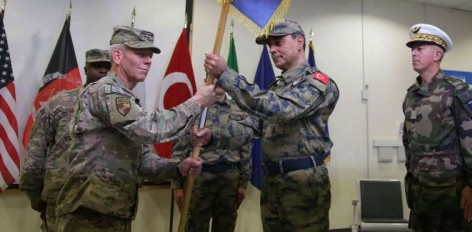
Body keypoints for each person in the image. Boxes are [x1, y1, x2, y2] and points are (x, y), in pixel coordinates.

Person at [55, 26, 216, 232]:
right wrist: (197, 101)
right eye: (140, 54)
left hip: (115, 212)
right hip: (88, 213)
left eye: (150, 55)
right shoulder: (106, 91)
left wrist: (177, 168)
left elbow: (142, 160)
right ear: (117, 56)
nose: (148, 60)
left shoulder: (127, 99)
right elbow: (149, 129)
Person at [198, 19, 339, 231]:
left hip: (303, 183)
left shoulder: (318, 82)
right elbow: (252, 126)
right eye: (269, 44)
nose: (272, 49)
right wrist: (212, 138)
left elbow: (280, 110)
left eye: (278, 42)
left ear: (299, 42)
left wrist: (226, 75)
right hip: (273, 181)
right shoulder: (277, 86)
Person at [402, 23, 472, 232]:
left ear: (436, 54)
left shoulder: (457, 91)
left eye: (420, 48)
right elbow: (409, 141)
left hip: (450, 196)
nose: (413, 53)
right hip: (419, 194)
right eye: (412, 49)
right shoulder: (412, 94)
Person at [21, 49, 111, 232]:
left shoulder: (122, 107)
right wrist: (36, 197)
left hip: (107, 205)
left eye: (107, 67)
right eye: (96, 66)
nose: (102, 70)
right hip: (61, 201)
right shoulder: (58, 103)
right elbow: (35, 156)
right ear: (85, 69)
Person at [171, 86, 251, 232]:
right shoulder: (195, 108)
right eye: (213, 76)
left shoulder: (238, 109)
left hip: (230, 178)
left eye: (220, 76)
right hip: (198, 178)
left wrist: (243, 183)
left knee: (225, 227)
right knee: (194, 226)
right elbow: (179, 148)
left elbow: (245, 147)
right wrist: (177, 186)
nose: (217, 81)